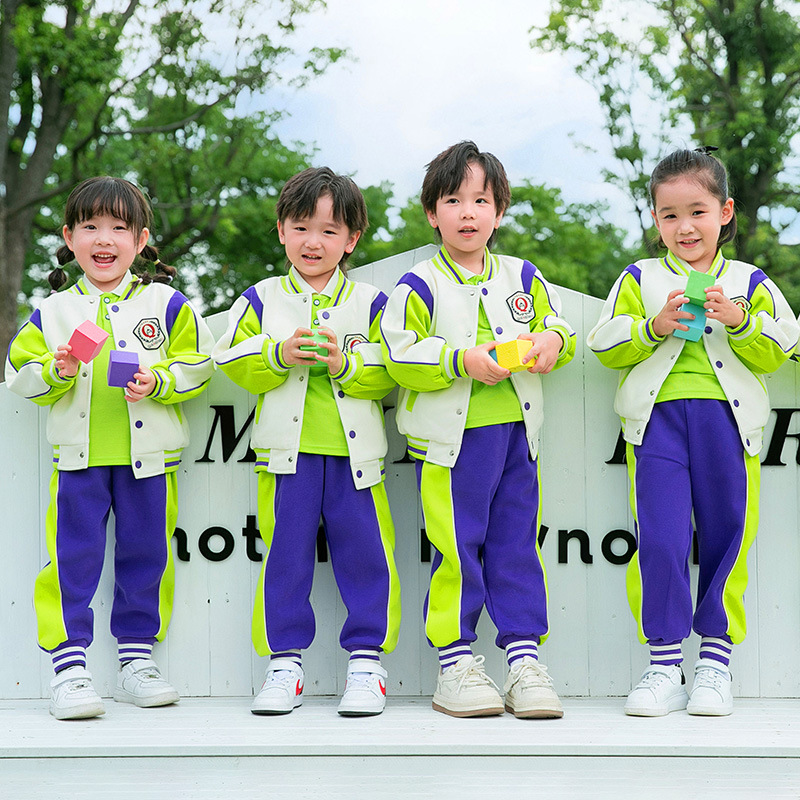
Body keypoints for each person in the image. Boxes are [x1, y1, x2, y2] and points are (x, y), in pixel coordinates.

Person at [587, 148, 799, 717]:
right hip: (657, 426)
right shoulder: (640, 277)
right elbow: (603, 343)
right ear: (655, 220)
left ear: (725, 212)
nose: (685, 227)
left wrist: (742, 320)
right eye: (670, 214)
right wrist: (653, 327)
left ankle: (714, 663)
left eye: (698, 211)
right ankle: (662, 665)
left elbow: (786, 346)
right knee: (660, 538)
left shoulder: (749, 281)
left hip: (729, 426)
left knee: (728, 536)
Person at [5, 176, 215, 720]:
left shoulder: (167, 304)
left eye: (119, 228)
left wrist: (158, 380)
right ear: (70, 238)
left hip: (150, 462)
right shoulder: (52, 312)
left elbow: (199, 365)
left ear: (141, 240)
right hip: (78, 462)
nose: (105, 238)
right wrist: (56, 369)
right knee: (71, 561)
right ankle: (69, 669)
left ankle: (136, 660)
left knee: (147, 557)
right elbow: (18, 372)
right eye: (91, 227)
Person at [381, 141, 575, 719]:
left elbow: (556, 325)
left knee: (517, 547)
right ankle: (456, 663)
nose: (468, 212)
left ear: (500, 209)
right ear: (431, 213)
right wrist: (461, 360)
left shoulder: (523, 275)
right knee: (457, 549)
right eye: (453, 199)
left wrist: (551, 342)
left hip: (518, 436)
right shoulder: (418, 283)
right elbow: (398, 354)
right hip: (450, 445)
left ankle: (523, 662)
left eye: (481, 199)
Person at [213, 167, 400, 717]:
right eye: (301, 227)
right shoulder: (262, 298)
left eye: (329, 230)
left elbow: (392, 369)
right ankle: (284, 667)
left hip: (357, 459)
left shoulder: (372, 301)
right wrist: (277, 354)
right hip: (285, 459)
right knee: (286, 559)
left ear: (352, 239)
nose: (313, 242)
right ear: (281, 231)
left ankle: (367, 666)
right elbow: (230, 358)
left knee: (367, 557)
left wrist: (346, 363)